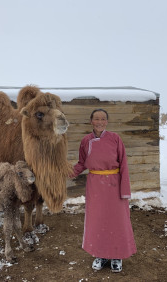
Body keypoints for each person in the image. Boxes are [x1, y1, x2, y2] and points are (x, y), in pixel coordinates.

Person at [71, 108, 137, 273]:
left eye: (102, 119)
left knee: (117, 221)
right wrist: (66, 172)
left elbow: (124, 164)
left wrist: (125, 190)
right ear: (91, 121)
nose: (99, 122)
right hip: (95, 186)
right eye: (96, 119)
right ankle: (100, 255)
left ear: (106, 122)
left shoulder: (115, 138)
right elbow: (81, 163)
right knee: (98, 221)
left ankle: (117, 256)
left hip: (114, 185)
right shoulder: (85, 141)